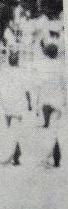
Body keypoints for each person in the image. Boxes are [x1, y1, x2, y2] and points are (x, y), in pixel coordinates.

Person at [34, 38, 66, 168]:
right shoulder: (62, 66)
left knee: (49, 131)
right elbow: (65, 86)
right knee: (53, 131)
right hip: (57, 101)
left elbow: (38, 86)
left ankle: (51, 157)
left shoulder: (42, 66)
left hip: (45, 102)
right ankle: (52, 158)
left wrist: (36, 104)